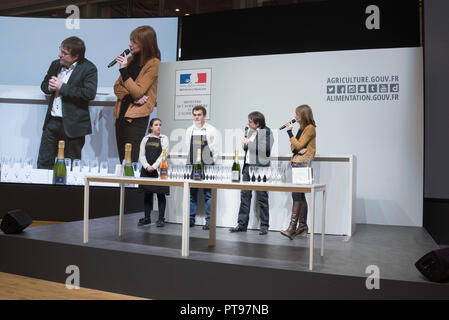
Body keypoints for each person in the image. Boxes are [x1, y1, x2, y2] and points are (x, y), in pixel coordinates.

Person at [37, 36, 98, 169]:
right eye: (61, 50)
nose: (60, 55)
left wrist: (62, 87)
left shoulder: (89, 68)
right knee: (44, 163)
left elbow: (89, 93)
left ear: (75, 56)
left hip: (73, 126)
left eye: (64, 53)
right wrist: (49, 86)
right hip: (52, 122)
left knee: (70, 166)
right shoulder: (55, 64)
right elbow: (44, 84)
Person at [113, 25, 161, 164]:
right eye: (130, 41)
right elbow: (117, 87)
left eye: (134, 42)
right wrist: (131, 98)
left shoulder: (153, 64)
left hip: (136, 119)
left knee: (131, 161)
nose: (130, 44)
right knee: (122, 160)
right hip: (120, 116)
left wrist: (123, 72)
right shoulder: (129, 61)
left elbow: (138, 91)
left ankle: (131, 186)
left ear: (145, 43)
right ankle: (122, 186)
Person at [230, 111, 274, 235]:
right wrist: (245, 145)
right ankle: (242, 224)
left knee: (262, 197)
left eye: (250, 121)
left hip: (260, 168)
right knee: (244, 196)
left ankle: (264, 226)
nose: (248, 123)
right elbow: (248, 149)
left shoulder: (267, 132)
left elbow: (265, 149)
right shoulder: (249, 132)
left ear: (257, 123)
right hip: (247, 167)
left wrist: (248, 143)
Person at [280, 104, 316, 240]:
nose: (294, 116)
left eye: (297, 114)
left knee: (297, 195)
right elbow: (294, 147)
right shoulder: (302, 128)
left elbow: (299, 145)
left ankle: (292, 228)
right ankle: (302, 227)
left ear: (302, 115)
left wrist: (289, 132)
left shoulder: (310, 128)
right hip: (297, 162)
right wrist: (297, 147)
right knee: (299, 195)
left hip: (303, 163)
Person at [186, 105, 220, 230]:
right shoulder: (190, 130)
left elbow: (215, 151)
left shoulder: (211, 130)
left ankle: (209, 221)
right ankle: (190, 219)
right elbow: (188, 148)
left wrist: (210, 165)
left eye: (199, 114)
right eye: (195, 115)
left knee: (208, 195)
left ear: (204, 116)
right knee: (191, 194)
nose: (197, 117)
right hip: (193, 164)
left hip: (207, 165)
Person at [138, 118, 169, 227]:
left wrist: (154, 166)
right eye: (156, 125)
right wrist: (147, 166)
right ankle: (147, 218)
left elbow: (163, 154)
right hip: (146, 170)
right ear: (151, 127)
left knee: (160, 194)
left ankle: (161, 219)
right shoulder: (145, 139)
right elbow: (141, 155)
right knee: (147, 194)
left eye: (160, 124)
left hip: (159, 170)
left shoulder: (164, 138)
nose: (159, 126)